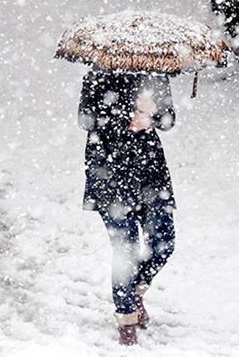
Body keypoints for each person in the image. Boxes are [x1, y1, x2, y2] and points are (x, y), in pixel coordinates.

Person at [77, 67, 177, 346]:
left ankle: (134, 292)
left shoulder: (155, 74)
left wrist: (153, 113)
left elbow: (168, 121)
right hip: (109, 172)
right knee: (126, 250)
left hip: (150, 174)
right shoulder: (97, 75)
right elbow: (86, 119)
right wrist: (128, 113)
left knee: (164, 242)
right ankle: (126, 320)